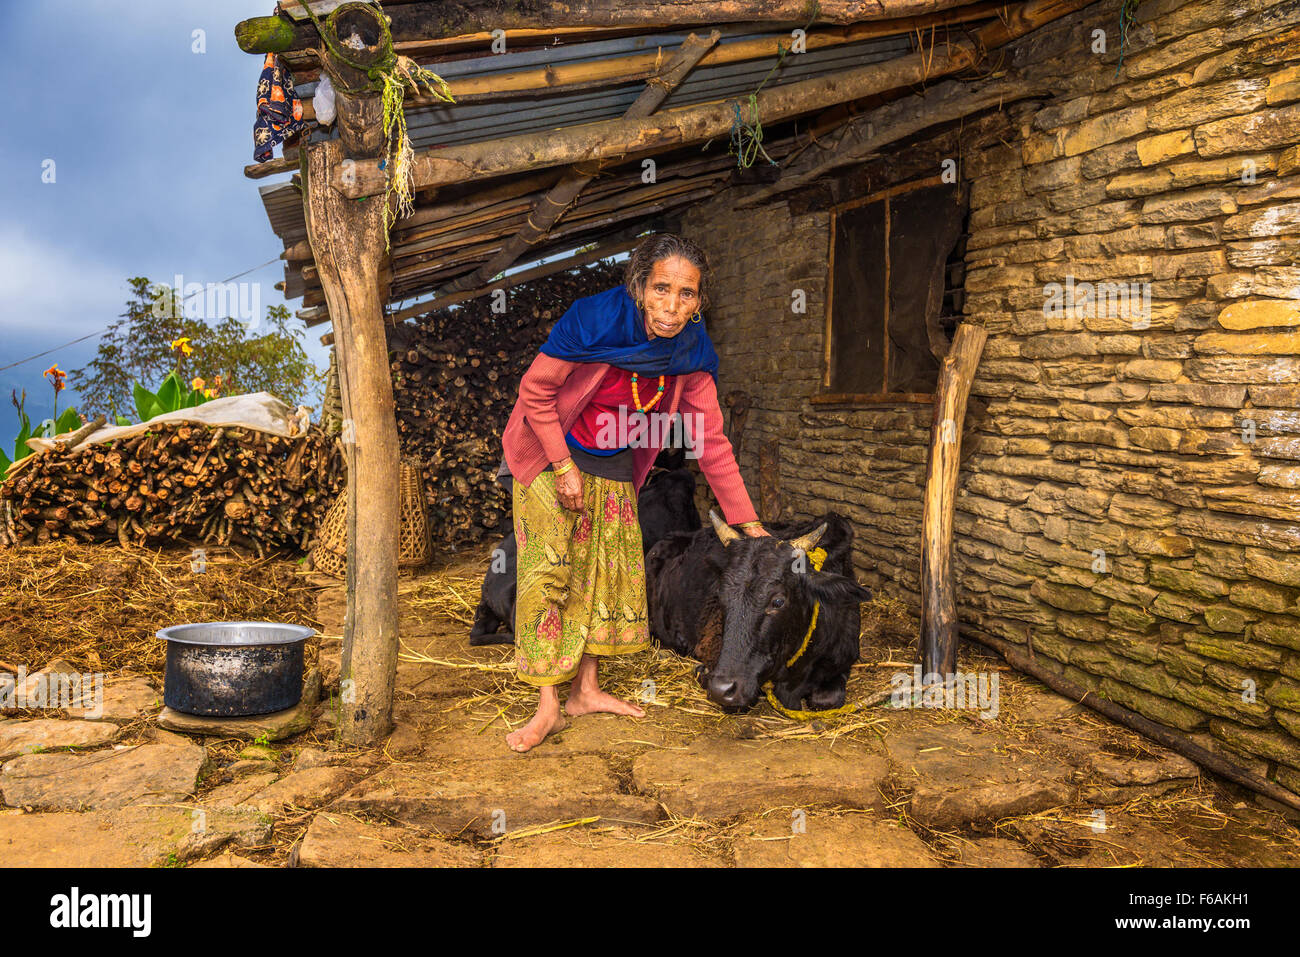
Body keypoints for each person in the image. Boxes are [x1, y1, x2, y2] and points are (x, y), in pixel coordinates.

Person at [496, 233, 768, 752]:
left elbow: (710, 441)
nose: (672, 305)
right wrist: (562, 466)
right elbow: (536, 390)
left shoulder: (691, 349)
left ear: (700, 300)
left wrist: (748, 522)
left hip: (618, 467)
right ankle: (549, 707)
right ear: (640, 287)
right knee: (550, 575)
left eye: (687, 294)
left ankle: (586, 691)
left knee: (603, 575)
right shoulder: (594, 320)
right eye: (661, 289)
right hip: (552, 458)